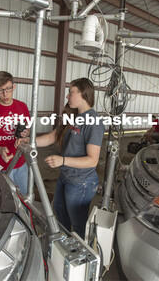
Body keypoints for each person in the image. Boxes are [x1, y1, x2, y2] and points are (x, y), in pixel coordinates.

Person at [23, 78, 104, 238]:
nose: (67, 96)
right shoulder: (73, 117)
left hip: (81, 182)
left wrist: (63, 160)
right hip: (66, 177)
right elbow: (54, 136)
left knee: (79, 224)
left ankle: (83, 254)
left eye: (70, 92)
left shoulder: (93, 122)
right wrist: (30, 142)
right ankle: (64, 247)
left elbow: (92, 160)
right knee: (60, 215)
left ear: (83, 94)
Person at [0, 71, 29, 194]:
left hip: (21, 163)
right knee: (10, 202)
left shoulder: (22, 107)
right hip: (2, 165)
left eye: (8, 89)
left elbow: (27, 129)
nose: (5, 94)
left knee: (25, 199)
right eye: (0, 90)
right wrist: (1, 150)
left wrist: (25, 134)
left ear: (14, 87)